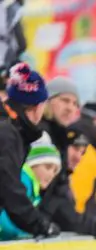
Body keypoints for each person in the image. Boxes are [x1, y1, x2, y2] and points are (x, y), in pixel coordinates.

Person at [0, 62, 60, 238]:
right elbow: (9, 188)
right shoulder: (7, 134)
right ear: (38, 106)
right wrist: (40, 225)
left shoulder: (12, 130)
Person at [0, 136, 61, 240]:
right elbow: (6, 219)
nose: (51, 174)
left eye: (55, 171)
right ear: (33, 165)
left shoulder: (33, 189)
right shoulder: (23, 181)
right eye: (47, 167)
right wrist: (28, 234)